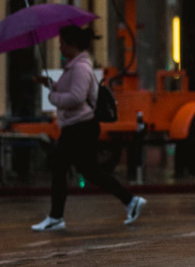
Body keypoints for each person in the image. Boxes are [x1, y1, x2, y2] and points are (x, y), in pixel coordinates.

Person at [32, 25, 146, 232]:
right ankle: (130, 201)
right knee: (90, 172)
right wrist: (52, 85)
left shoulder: (80, 68)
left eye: (62, 44)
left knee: (60, 166)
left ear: (72, 44)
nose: (59, 48)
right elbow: (73, 91)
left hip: (80, 126)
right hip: (78, 126)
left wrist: (53, 97)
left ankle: (56, 217)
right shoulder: (76, 67)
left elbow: (77, 97)